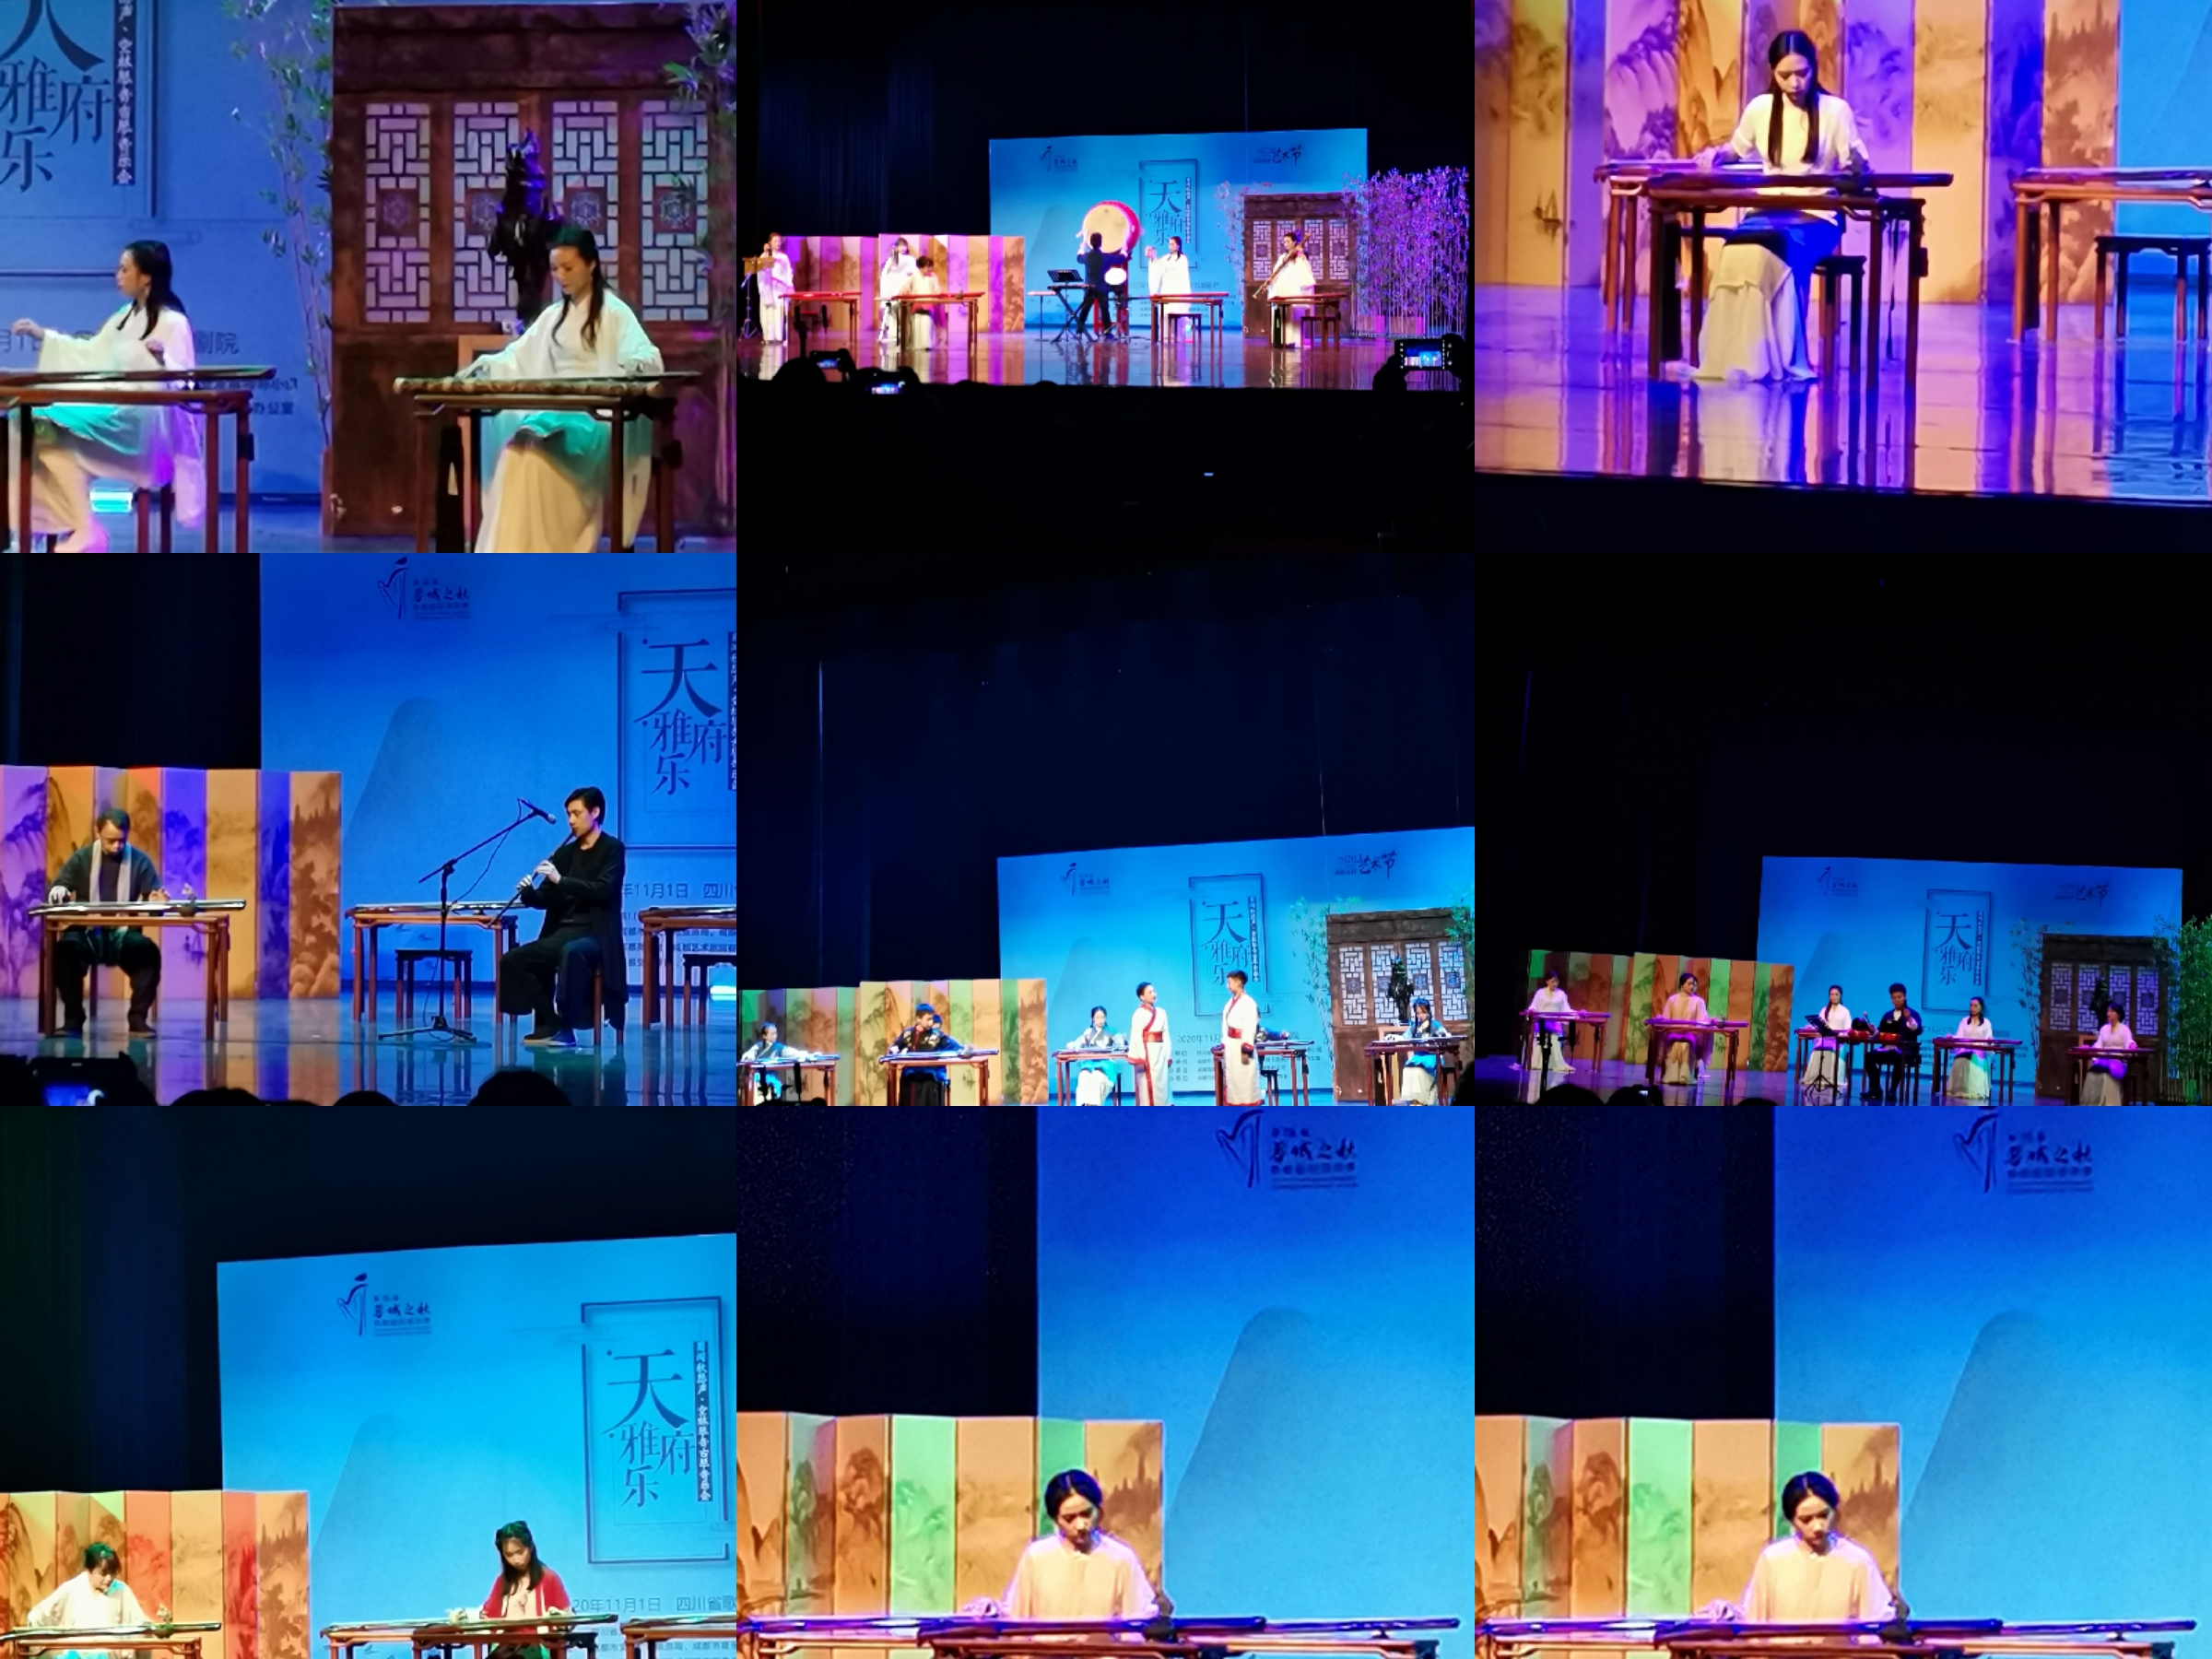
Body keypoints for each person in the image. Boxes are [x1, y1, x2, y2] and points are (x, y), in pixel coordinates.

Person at [460, 224, 665, 552]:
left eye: (568, 267)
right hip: (552, 414)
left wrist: (637, 365)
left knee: (537, 463)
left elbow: (643, 354)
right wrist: (488, 366)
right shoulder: (553, 316)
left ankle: (555, 554)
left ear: (591, 264)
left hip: (594, 417)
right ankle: (513, 561)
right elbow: (517, 357)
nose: (561, 276)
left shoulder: (614, 313)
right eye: (555, 269)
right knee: (514, 455)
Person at [1688, 31, 1874, 382]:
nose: (1794, 83)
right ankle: (1734, 359)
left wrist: (1856, 165)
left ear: (1814, 68)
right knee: (1737, 251)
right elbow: (1735, 151)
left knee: (1770, 250)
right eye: (1785, 75)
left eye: (1802, 73)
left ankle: (1776, 360)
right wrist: (1715, 155)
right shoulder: (1761, 109)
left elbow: (1857, 161)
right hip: (1767, 212)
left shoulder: (1835, 111)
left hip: (1816, 217)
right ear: (1772, 71)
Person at [6, 241, 204, 552]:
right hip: (113, 408)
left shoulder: (172, 322)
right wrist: (45, 336)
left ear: (146, 277)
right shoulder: (124, 317)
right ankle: (56, 525)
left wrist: (163, 360)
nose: (118, 275)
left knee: (41, 422)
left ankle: (77, 527)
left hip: (143, 421)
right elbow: (90, 353)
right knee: (26, 423)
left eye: (125, 269)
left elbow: (185, 379)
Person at [499, 787, 626, 1049]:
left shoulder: (612, 849)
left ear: (595, 812)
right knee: (513, 960)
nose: (571, 820)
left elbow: (603, 890)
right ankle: (554, 1023)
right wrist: (529, 893)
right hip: (563, 932)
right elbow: (547, 897)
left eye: (576, 813)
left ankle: (568, 1024)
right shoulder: (565, 853)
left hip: (595, 934)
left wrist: (561, 880)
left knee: (572, 952)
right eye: (569, 814)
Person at [1702, 1471, 1895, 1623]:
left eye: (1823, 1516)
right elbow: (1754, 1622)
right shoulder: (1773, 1559)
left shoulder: (1857, 1561)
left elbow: (1876, 1625)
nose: (1818, 1527)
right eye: (1806, 1520)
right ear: (1792, 1521)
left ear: (1835, 1512)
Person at [969, 1469, 1159, 1619]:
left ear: (1099, 1511)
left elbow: (1136, 1623)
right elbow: (1017, 1619)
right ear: (1056, 1520)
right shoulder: (1037, 1557)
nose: (1081, 1525)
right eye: (1069, 1518)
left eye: (1086, 1514)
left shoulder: (1120, 1558)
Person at [46, 807, 170, 1039]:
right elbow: (59, 887)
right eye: (110, 840)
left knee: (148, 954)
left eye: (121, 840)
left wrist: (157, 901)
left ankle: (137, 1020)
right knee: (64, 952)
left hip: (123, 934)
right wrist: (59, 890)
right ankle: (73, 1020)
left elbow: (154, 897)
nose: (117, 846)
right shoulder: (82, 858)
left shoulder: (139, 860)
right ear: (97, 832)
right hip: (86, 933)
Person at [23, 1542, 171, 1653]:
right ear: (89, 1570)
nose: (109, 1578)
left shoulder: (120, 1589)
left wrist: (157, 1629)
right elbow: (40, 1614)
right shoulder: (73, 1588)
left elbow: (138, 1621)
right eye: (103, 1573)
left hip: (109, 1653)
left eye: (112, 1573)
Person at [479, 1520, 572, 1659]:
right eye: (509, 1555)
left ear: (531, 1547)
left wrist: (558, 1619)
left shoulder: (549, 1578)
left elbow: (566, 1618)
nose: (516, 1560)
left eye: (520, 1552)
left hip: (538, 1646)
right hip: (507, 1647)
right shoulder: (502, 1581)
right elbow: (488, 1616)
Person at [888, 1002, 966, 1106]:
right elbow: (894, 1048)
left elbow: (955, 1047)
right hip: (911, 1076)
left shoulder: (936, 1035)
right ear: (918, 1019)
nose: (931, 1022)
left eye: (932, 1019)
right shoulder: (908, 1034)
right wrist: (893, 1051)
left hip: (929, 1076)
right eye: (928, 1019)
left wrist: (965, 1050)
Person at [1393, 994, 1454, 1105]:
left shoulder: (1435, 1025)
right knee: (1408, 1069)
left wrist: (1443, 1037)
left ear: (1428, 1012)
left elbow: (1446, 1038)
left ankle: (1422, 1101)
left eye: (1422, 1012)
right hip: (1418, 1057)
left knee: (1418, 1071)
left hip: (1432, 1057)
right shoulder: (1415, 1027)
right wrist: (1395, 1038)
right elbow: (1404, 1037)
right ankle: (1413, 1100)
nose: (1420, 1016)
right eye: (1418, 1013)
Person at [1865, 982, 1923, 1101]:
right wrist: (1873, 1031)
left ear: (1905, 997)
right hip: (1888, 1049)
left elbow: (1917, 1030)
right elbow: (1880, 1034)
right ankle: (1875, 1088)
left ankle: (1892, 1090)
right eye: (1894, 998)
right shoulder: (1887, 1015)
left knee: (1898, 1056)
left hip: (1907, 1051)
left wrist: (1908, 1018)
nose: (1897, 1000)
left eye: (1899, 997)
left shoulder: (1913, 1014)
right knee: (1869, 1056)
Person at [1660, 970, 1718, 1084]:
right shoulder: (1672, 1000)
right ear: (1682, 985)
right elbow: (1666, 1018)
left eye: (1694, 985)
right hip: (1674, 1034)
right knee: (1676, 1044)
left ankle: (1685, 1077)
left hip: (1690, 1035)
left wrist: (1710, 1020)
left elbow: (1703, 1019)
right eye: (1689, 984)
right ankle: (1672, 1076)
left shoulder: (1699, 1002)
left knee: (1686, 1045)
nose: (1692, 987)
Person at [1264, 229, 1316, 347]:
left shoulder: (1299, 257)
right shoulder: (1283, 257)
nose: (1285, 244)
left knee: (1293, 315)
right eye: (1284, 242)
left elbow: (1304, 273)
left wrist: (1301, 256)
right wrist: (1270, 281)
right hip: (1281, 290)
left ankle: (1293, 341)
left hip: (1293, 290)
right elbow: (1276, 272)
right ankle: (1280, 340)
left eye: (1288, 241)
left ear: (1294, 242)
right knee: (1281, 315)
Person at [1520, 965, 1577, 1075]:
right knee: (1540, 1041)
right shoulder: (1540, 993)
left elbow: (1566, 1009)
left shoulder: (1561, 994)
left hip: (1554, 1022)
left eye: (1556, 981)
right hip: (1542, 1021)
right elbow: (1534, 1006)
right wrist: (1531, 1011)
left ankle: (1554, 1064)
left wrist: (1577, 1013)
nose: (1555, 984)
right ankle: (1537, 1064)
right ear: (1547, 981)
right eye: (1552, 981)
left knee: (1554, 1041)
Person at [1219, 969, 1264, 1106]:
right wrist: (1225, 1042)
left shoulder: (1249, 1003)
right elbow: (1225, 1024)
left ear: (1239, 982)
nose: (1228, 985)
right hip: (1231, 1046)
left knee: (1245, 1080)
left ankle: (1249, 1109)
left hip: (1241, 1046)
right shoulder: (1229, 1003)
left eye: (1230, 982)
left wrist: (1246, 1047)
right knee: (1233, 1079)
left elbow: (1250, 1026)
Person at [1065, 1005, 1123, 1106]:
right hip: (1089, 1063)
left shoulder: (1112, 1031)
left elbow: (1121, 1044)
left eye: (1102, 1017)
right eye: (1098, 1018)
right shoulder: (1088, 1032)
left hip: (1106, 1064)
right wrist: (1072, 1045)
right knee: (1083, 1076)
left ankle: (1094, 1106)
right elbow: (1078, 1043)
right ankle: (1082, 1106)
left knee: (1097, 1076)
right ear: (1093, 1019)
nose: (1101, 1020)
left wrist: (1122, 1041)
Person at [2082, 997, 2136, 1105]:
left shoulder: (2124, 1029)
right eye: (2108, 1011)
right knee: (2092, 1073)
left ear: (2118, 1014)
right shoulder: (2104, 1029)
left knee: (2107, 1074)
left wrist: (2132, 1045)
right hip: (2104, 1059)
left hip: (2118, 1060)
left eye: (2111, 1011)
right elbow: (2098, 1045)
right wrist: (2089, 1048)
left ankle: (2110, 1104)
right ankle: (2092, 1103)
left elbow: (2129, 1041)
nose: (2108, 1013)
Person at [1802, 983, 1853, 1090]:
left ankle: (1831, 1078)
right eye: (1831, 994)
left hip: (1838, 1040)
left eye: (1836, 994)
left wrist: (1839, 1035)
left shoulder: (1845, 1011)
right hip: (1825, 1038)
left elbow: (1848, 1029)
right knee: (1817, 1048)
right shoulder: (1824, 1010)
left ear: (1841, 995)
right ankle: (1814, 1077)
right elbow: (1820, 1024)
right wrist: (1811, 1027)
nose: (1834, 997)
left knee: (1831, 1049)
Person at [1947, 994, 1995, 1102]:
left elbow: (1988, 1038)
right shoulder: (1964, 1021)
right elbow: (1959, 1037)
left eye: (1975, 1006)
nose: (1972, 1008)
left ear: (1981, 1008)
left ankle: (1973, 1091)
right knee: (1960, 1059)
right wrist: (1952, 1038)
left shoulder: (1986, 1023)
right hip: (1965, 1050)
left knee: (1973, 1059)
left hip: (1978, 1052)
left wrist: (1990, 1041)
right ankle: (1958, 1090)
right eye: (1971, 1005)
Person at [1130, 980, 1172, 1104]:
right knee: (1147, 1085)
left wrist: (1168, 1054)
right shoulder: (1138, 1014)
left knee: (1163, 1082)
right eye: (1150, 992)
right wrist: (1142, 1058)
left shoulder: (1162, 1012)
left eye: (1154, 991)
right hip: (1148, 1052)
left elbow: (1166, 1034)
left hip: (1160, 1052)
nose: (1154, 994)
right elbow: (1137, 1037)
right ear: (1142, 997)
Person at [1145, 235, 1195, 339]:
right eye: (1169, 244)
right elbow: (1157, 267)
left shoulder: (1182, 259)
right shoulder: (1167, 258)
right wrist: (1153, 257)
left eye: (1172, 244)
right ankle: (1165, 337)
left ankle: (1178, 338)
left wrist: (1157, 259)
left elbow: (1171, 268)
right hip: (1166, 291)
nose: (1170, 246)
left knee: (1177, 316)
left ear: (1178, 246)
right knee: (1165, 315)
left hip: (1178, 292)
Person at [1072, 231, 1117, 342]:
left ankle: (1079, 331)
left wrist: (1081, 247)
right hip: (1102, 288)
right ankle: (1107, 333)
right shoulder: (1105, 257)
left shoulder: (1087, 256)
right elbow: (1121, 258)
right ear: (1101, 243)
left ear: (1090, 243)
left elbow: (1079, 258)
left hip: (1089, 288)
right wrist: (1124, 249)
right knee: (1104, 310)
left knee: (1085, 309)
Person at [741, 1020, 799, 1101]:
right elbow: (748, 1055)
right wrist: (748, 1057)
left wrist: (805, 1054)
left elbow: (793, 1052)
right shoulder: (758, 1047)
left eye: (776, 1033)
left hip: (772, 1078)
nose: (775, 1035)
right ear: (764, 1036)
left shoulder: (778, 1047)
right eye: (772, 1034)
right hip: (758, 1078)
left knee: (775, 1086)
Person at [757, 232, 794, 345]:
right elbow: (760, 272)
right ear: (770, 243)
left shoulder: (784, 257)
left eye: (779, 241)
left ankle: (779, 337)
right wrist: (765, 253)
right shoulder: (765, 256)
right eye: (775, 241)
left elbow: (789, 273)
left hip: (780, 289)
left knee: (779, 313)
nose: (778, 244)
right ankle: (768, 337)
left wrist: (789, 286)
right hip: (768, 288)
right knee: (768, 313)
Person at [878, 238, 918, 341]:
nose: (903, 248)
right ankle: (895, 331)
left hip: (905, 286)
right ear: (897, 247)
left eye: (904, 245)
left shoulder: (910, 259)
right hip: (894, 287)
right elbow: (885, 273)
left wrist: (911, 274)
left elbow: (915, 272)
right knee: (893, 309)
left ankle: (908, 332)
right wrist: (892, 263)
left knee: (905, 309)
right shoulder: (892, 259)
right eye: (900, 246)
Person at [905, 253, 946, 349]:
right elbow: (905, 287)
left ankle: (929, 344)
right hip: (917, 304)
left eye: (930, 266)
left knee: (929, 319)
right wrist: (905, 292)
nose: (930, 269)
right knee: (916, 319)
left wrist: (937, 295)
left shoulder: (933, 276)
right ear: (920, 267)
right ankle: (917, 344)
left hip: (930, 303)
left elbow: (937, 289)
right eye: (928, 266)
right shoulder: (914, 276)